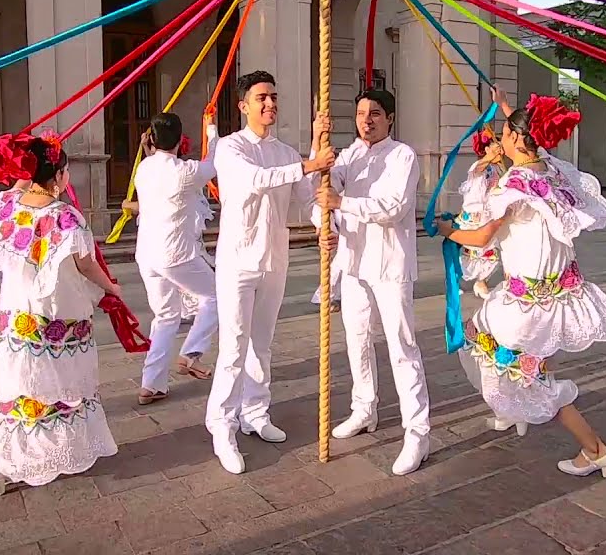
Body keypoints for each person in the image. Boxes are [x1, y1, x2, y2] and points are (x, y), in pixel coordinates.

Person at [437, 94, 606, 478]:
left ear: (515, 138)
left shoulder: (514, 184)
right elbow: (531, 134)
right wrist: (508, 108)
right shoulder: (551, 170)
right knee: (506, 354)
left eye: (505, 132)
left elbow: (483, 236)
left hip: (527, 305)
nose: (500, 139)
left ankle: (594, 449)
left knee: (525, 374)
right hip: (558, 295)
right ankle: (516, 411)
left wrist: (448, 231)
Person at [0, 133, 122, 494]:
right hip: (57, 313)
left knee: (24, 388)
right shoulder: (65, 217)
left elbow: (18, 186)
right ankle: (52, 454)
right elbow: (86, 265)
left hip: (18, 315)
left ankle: (5, 460)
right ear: (58, 175)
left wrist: (27, 159)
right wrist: (111, 287)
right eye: (65, 170)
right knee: (61, 385)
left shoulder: (9, 206)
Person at [206, 70, 334, 474]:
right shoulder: (230, 148)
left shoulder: (285, 152)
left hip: (274, 259)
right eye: (261, 98)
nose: (269, 104)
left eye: (273, 97)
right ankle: (222, 426)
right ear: (243, 105)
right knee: (233, 348)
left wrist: (323, 225)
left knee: (262, 344)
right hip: (238, 261)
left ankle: (256, 412)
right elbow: (255, 181)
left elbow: (305, 197)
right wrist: (310, 162)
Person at [315, 89, 431, 476]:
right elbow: (323, 191)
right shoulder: (349, 155)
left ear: (390, 118)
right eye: (361, 113)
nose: (367, 120)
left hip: (390, 264)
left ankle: (417, 431)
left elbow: (393, 207)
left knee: (401, 346)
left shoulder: (403, 156)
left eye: (375, 113)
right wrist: (326, 224)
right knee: (357, 339)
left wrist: (342, 204)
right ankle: (364, 407)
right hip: (353, 262)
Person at [129, 112, 221, 405]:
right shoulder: (186, 171)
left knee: (166, 316)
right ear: (180, 140)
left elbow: (155, 162)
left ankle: (151, 384)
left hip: (147, 254)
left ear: (152, 139)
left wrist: (148, 147)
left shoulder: (144, 168)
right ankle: (191, 353)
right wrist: (211, 130)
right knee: (217, 296)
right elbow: (214, 162)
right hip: (175, 254)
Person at [457, 89, 511, 298]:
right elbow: (476, 172)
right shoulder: (479, 166)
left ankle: (482, 282)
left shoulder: (499, 168)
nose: (499, 150)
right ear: (486, 149)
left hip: (490, 215)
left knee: (491, 251)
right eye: (494, 147)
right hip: (475, 217)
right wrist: (489, 159)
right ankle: (456, 280)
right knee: (472, 251)